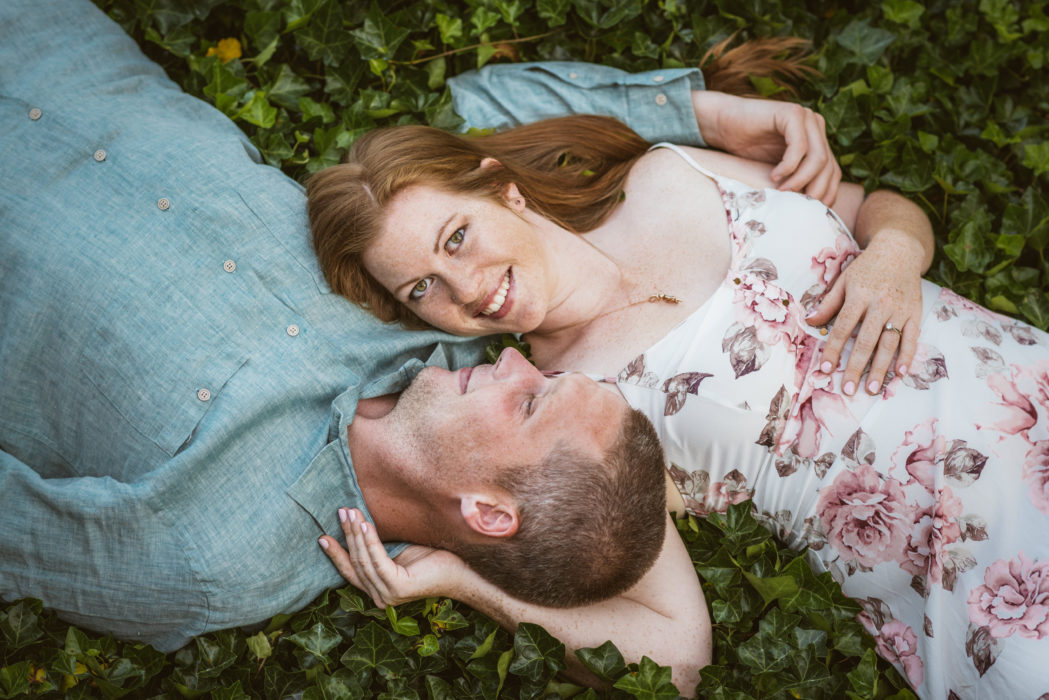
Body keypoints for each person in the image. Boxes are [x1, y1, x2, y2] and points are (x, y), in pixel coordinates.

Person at [0, 0, 839, 677]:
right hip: (48, 40)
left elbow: (677, 659)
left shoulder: (209, 560)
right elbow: (472, 114)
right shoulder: (426, 329)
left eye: (532, 397)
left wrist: (458, 579)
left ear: (485, 511)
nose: (516, 356)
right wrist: (698, 109)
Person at [307, 84, 1049, 700]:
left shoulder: (671, 174)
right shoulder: (573, 408)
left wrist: (891, 253)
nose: (465, 289)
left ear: (504, 189)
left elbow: (878, 206)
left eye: (457, 237)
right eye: (422, 287)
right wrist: (458, 579)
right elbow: (677, 652)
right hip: (992, 584)